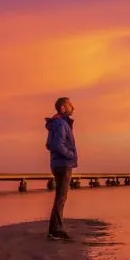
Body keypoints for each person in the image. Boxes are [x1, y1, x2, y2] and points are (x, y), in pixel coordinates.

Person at [45, 97, 78, 240]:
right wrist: (70, 155)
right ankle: (56, 230)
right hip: (63, 164)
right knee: (61, 198)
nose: (73, 107)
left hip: (57, 164)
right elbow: (57, 145)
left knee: (60, 197)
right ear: (63, 108)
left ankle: (54, 229)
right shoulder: (60, 124)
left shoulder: (56, 123)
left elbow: (48, 144)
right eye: (70, 105)